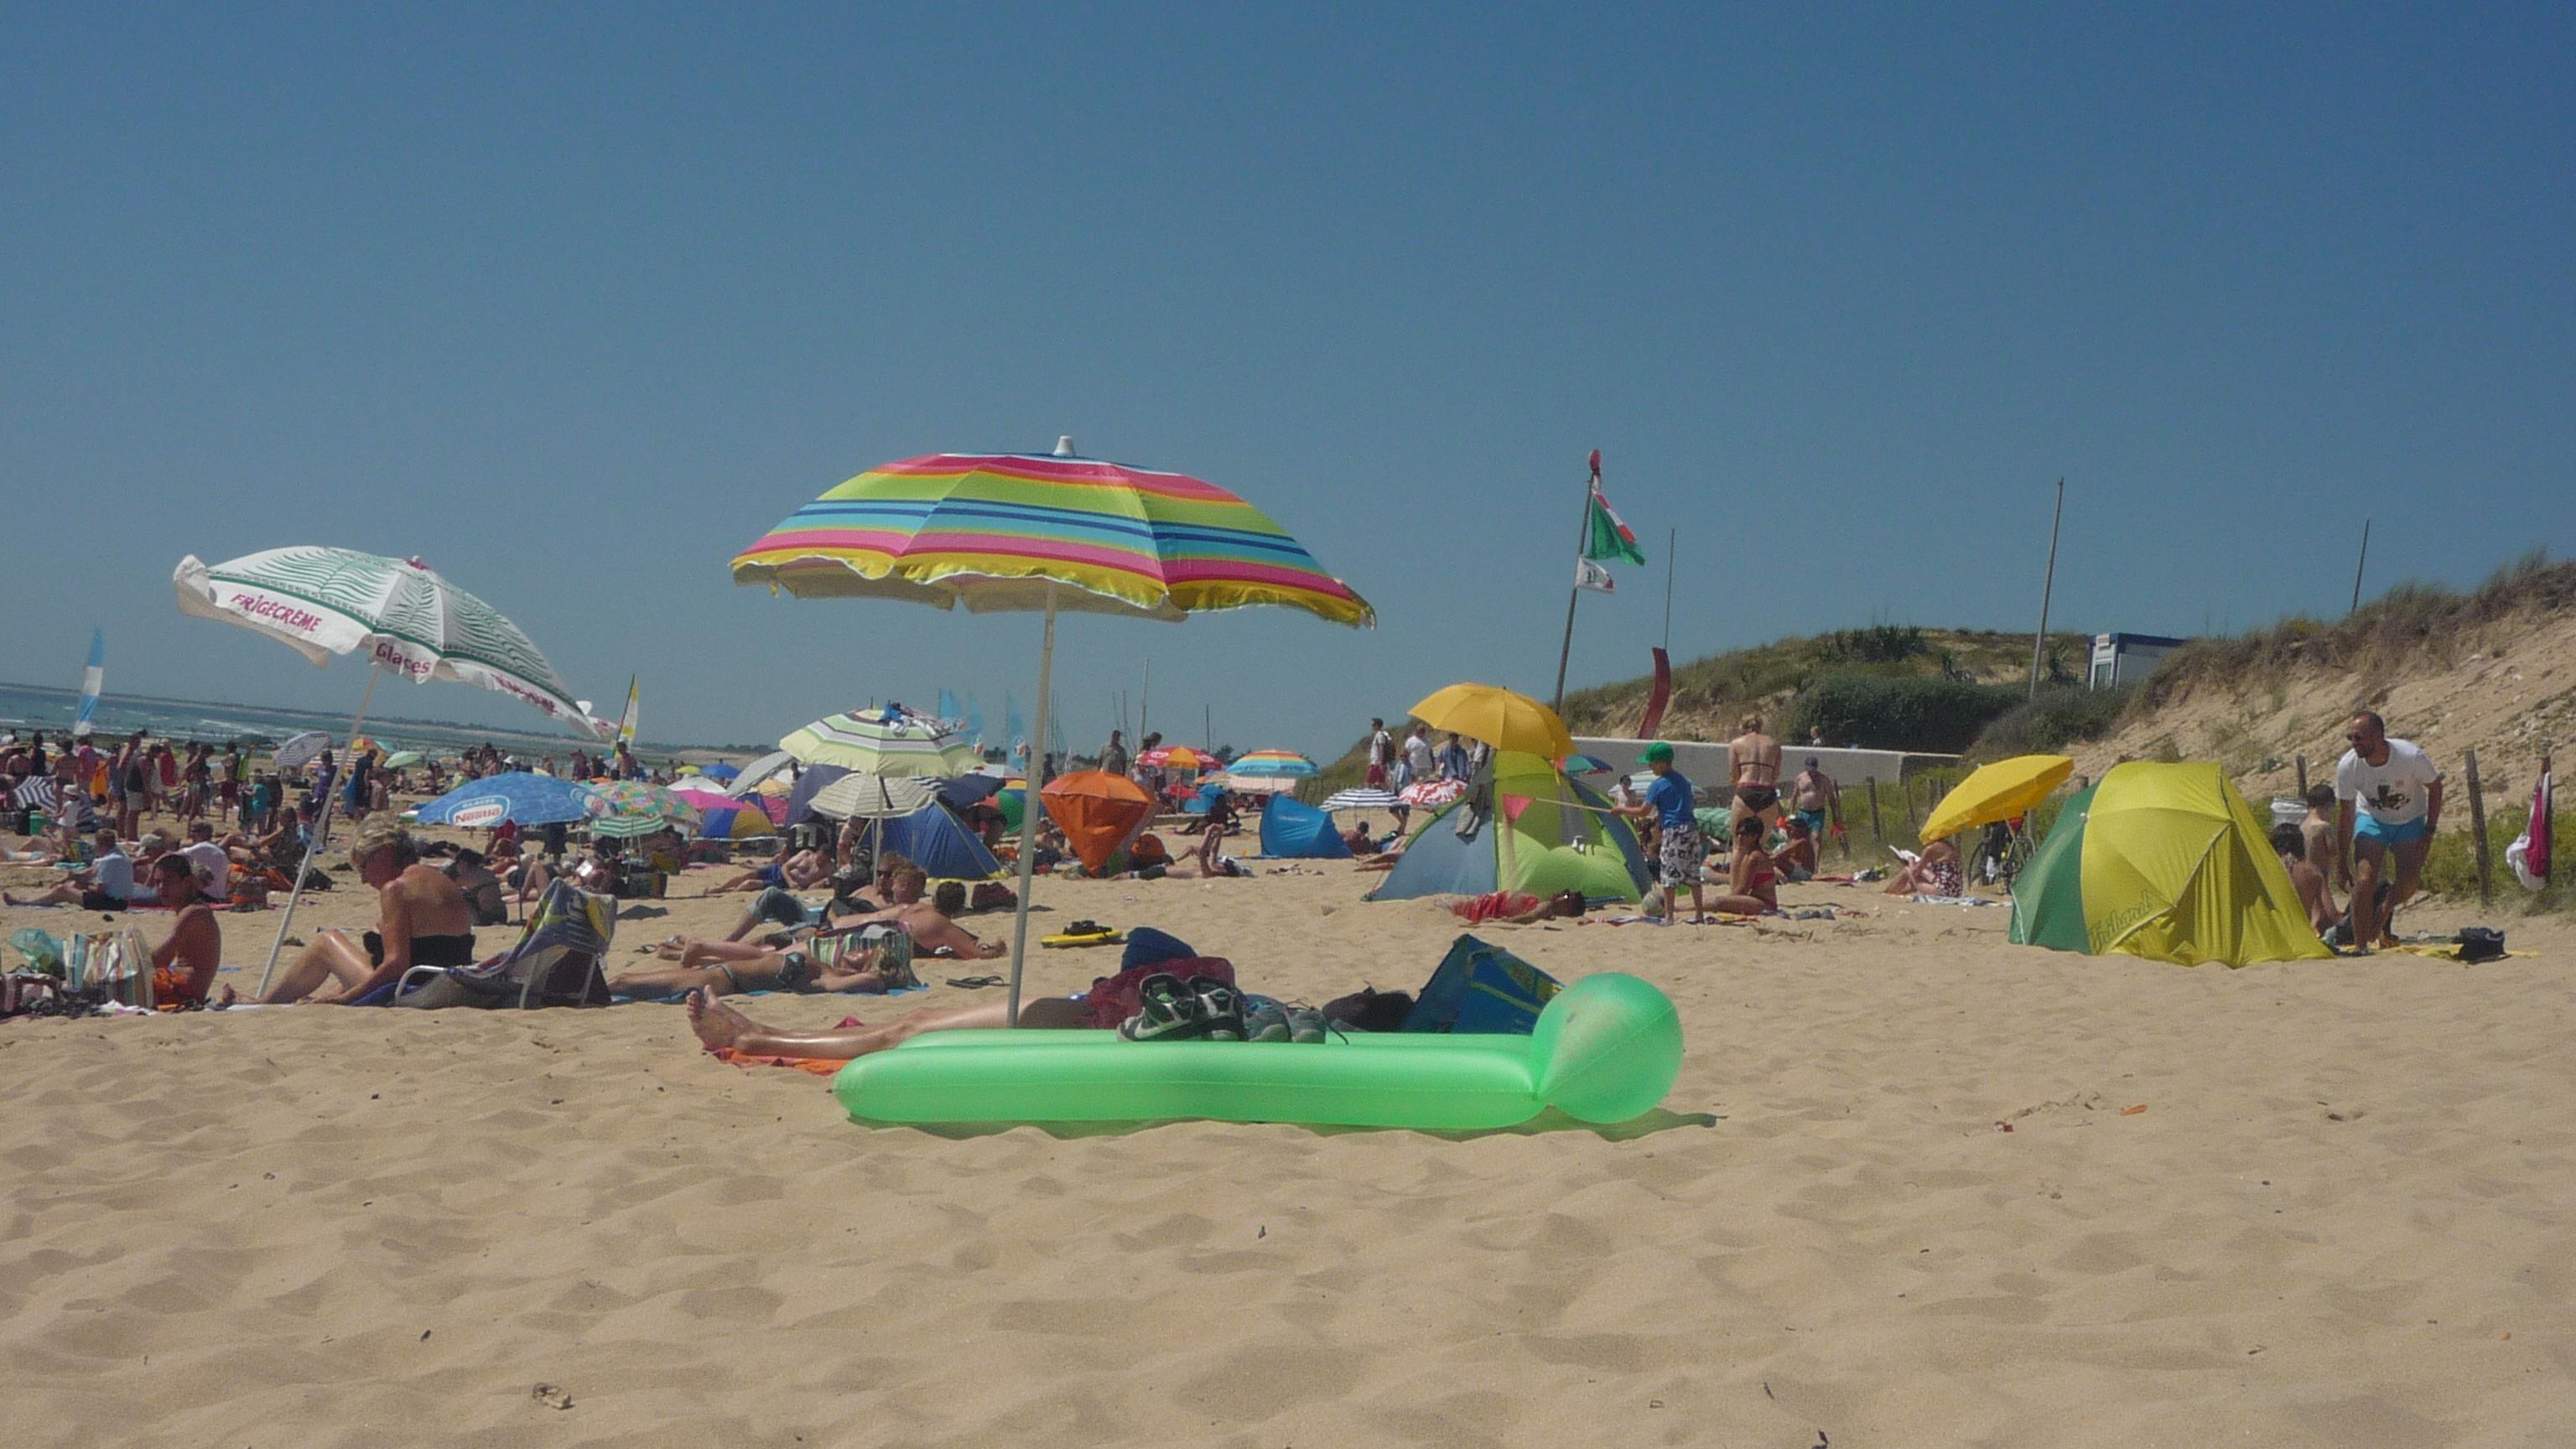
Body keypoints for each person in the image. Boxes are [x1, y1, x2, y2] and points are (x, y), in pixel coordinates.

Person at [256, 818, 480, 1004]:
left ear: (385, 853)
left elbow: (396, 965)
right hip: (448, 984)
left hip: (415, 988)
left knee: (327, 941)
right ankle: (301, 999)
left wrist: (347, 1000)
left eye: (364, 866)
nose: (363, 879)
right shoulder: (439, 880)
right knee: (368, 954)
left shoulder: (397, 889)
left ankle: (263, 1004)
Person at [2334, 711, 2441, 952]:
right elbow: (2346, 814)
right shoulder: (2348, 766)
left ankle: (2384, 910)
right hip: (2371, 818)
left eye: (2359, 737)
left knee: (2409, 881)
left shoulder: (2410, 757)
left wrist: (2429, 830)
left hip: (2410, 819)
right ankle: (2361, 944)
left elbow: (2435, 787)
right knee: (2364, 879)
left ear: (2379, 736)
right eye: (2350, 737)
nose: (2354, 743)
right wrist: (2341, 861)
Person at [1613, 742, 1705, 921]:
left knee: (1669, 874)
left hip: (1674, 831)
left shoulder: (1659, 784)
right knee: (1693, 873)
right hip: (1691, 830)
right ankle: (1699, 913)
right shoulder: (1684, 781)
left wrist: (1621, 811)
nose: (1650, 767)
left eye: (1652, 763)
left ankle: (1669, 915)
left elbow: (1643, 811)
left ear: (1663, 763)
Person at [143, 853, 226, 1005]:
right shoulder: (192, 910)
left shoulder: (193, 912)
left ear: (187, 883)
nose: (161, 888)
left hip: (184, 992)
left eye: (168, 882)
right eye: (158, 882)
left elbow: (159, 960)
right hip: (182, 988)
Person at [4, 829, 148, 910]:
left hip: (113, 903)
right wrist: (70, 878)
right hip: (120, 900)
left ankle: (28, 903)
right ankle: (43, 899)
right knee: (71, 885)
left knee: (64, 890)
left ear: (100, 845)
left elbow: (100, 890)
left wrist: (75, 882)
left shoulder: (108, 861)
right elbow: (91, 872)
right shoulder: (119, 853)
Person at [2272, 823, 2339, 936]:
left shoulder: (2267, 868)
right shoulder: (2313, 872)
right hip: (2302, 936)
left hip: (2275, 935)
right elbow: (2331, 913)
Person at [1711, 814, 1780, 915]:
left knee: (1719, 902)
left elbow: (1743, 889)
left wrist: (1729, 899)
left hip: (1765, 904)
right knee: (1720, 901)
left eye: (1744, 834)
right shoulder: (1752, 854)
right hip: (1759, 900)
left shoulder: (1754, 857)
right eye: (1738, 833)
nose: (1739, 837)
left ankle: (1681, 908)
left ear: (1754, 836)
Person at [1727, 714, 1784, 828]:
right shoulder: (1775, 745)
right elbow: (1775, 775)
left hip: (1746, 790)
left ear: (1744, 727)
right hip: (1767, 792)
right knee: (1761, 843)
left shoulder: (1736, 744)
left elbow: (1734, 775)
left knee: (1738, 841)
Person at [1435, 888, 1587, 925]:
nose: (1561, 894)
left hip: (1491, 906)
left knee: (1452, 907)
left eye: (1566, 895)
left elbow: (1530, 917)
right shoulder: (1549, 910)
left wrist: (1507, 921)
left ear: (1567, 908)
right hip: (1493, 904)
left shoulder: (1548, 907)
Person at [1883, 839, 1964, 897]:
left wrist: (1910, 861)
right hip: (1956, 891)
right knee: (1921, 875)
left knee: (1907, 871)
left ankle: (1887, 893)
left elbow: (1915, 872)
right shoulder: (1950, 848)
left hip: (1943, 892)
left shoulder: (1931, 849)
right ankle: (1896, 892)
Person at [2299, 784, 2340, 896]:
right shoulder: (2324, 826)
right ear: (2328, 806)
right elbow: (2333, 850)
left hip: (2304, 871)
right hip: (2321, 871)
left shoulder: (2303, 826)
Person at [1789, 757, 1839, 844]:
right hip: (1803, 812)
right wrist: (1791, 813)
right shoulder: (1800, 778)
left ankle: (1816, 857)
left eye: (1813, 769)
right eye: (1809, 769)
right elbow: (1794, 796)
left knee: (1816, 837)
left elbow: (1831, 798)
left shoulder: (1824, 780)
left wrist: (1835, 816)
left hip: (1818, 812)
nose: (1811, 772)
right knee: (1803, 839)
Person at [1770, 813, 1820, 882]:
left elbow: (1779, 855)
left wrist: (1766, 859)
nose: (1788, 831)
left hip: (1806, 874)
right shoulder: (1796, 841)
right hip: (1799, 871)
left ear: (1798, 830)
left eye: (1790, 829)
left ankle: (1783, 879)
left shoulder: (1802, 842)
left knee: (1777, 861)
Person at [1401, 724, 1436, 790]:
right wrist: (1404, 763)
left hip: (1426, 766)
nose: (1421, 733)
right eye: (1419, 731)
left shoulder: (1428, 741)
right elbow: (1405, 752)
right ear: (1416, 731)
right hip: (1414, 766)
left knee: (1426, 785)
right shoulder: (1411, 741)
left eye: (1422, 731)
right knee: (1415, 785)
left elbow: (1430, 753)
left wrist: (1433, 765)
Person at [1363, 718, 1393, 790]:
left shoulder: (1380, 735)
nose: (1372, 726)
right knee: (1379, 782)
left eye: (1373, 725)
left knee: (1369, 782)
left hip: (1377, 764)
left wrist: (1381, 762)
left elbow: (1381, 748)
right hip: (1375, 763)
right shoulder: (1378, 735)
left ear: (1377, 725)